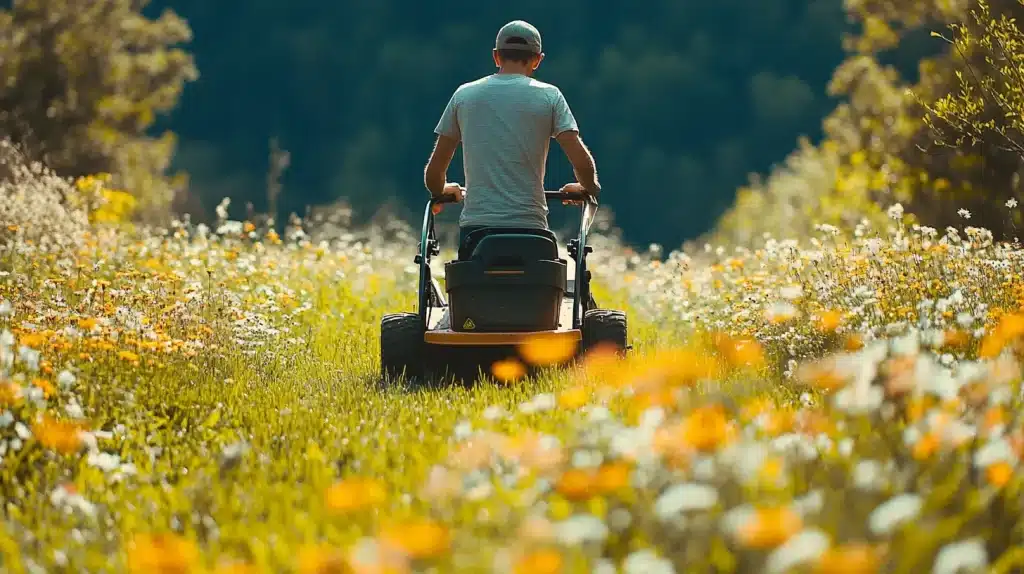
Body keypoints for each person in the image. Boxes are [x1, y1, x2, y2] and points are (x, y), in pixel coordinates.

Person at [423, 19, 602, 261]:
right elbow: (581, 163)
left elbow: (434, 174)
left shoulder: (464, 96)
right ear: (537, 60)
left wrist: (443, 190)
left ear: (496, 57)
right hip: (532, 232)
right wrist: (587, 188)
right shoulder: (550, 97)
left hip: (476, 235)